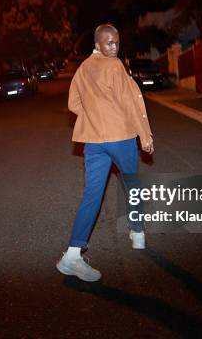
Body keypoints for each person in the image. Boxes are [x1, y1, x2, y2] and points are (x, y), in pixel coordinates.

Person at [56, 23, 154, 282]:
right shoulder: (115, 66)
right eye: (109, 43)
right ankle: (138, 233)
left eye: (117, 43)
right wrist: (145, 136)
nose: (114, 47)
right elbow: (131, 103)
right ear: (98, 43)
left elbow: (73, 103)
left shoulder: (83, 68)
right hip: (120, 136)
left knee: (91, 195)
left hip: (93, 141)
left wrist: (96, 115)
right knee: (132, 184)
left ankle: (73, 254)